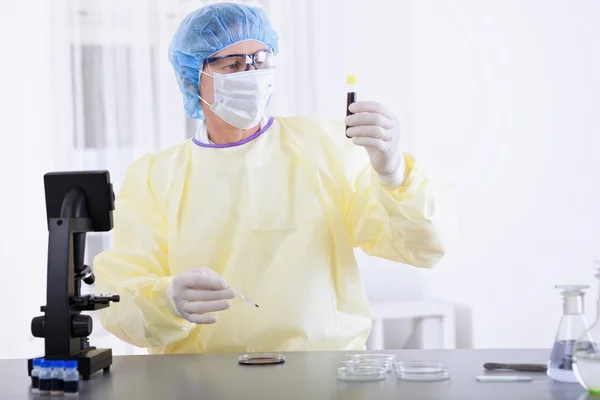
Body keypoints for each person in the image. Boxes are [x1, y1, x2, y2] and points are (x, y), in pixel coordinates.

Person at [94, 2, 455, 354]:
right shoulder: (155, 177)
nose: (251, 75)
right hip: (203, 380)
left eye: (260, 60)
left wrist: (393, 173)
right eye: (234, 64)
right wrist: (166, 301)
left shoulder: (325, 146)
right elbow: (119, 297)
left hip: (322, 376)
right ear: (193, 82)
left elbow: (420, 248)